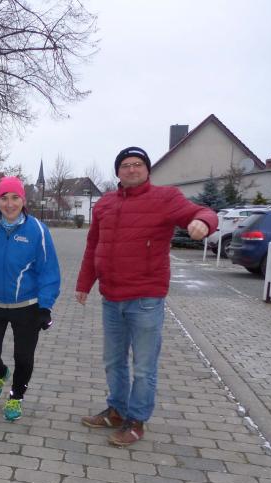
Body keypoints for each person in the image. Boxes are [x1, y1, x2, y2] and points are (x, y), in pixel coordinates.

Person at [76, 147, 217, 446]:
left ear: (147, 169)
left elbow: (201, 212)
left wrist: (204, 223)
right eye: (125, 165)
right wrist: (84, 283)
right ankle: (117, 411)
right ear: (117, 172)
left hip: (145, 299)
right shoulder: (104, 204)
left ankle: (136, 420)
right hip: (111, 298)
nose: (131, 169)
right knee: (113, 361)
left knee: (143, 367)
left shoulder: (166, 198)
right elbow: (93, 245)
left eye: (137, 164)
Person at [0, 176, 60, 421]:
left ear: (23, 200)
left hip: (26, 306)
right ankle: (1, 372)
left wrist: (45, 307)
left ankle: (16, 397)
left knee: (24, 357)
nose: (9, 204)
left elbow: (49, 271)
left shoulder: (38, 230)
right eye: (4, 198)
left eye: (15, 198)